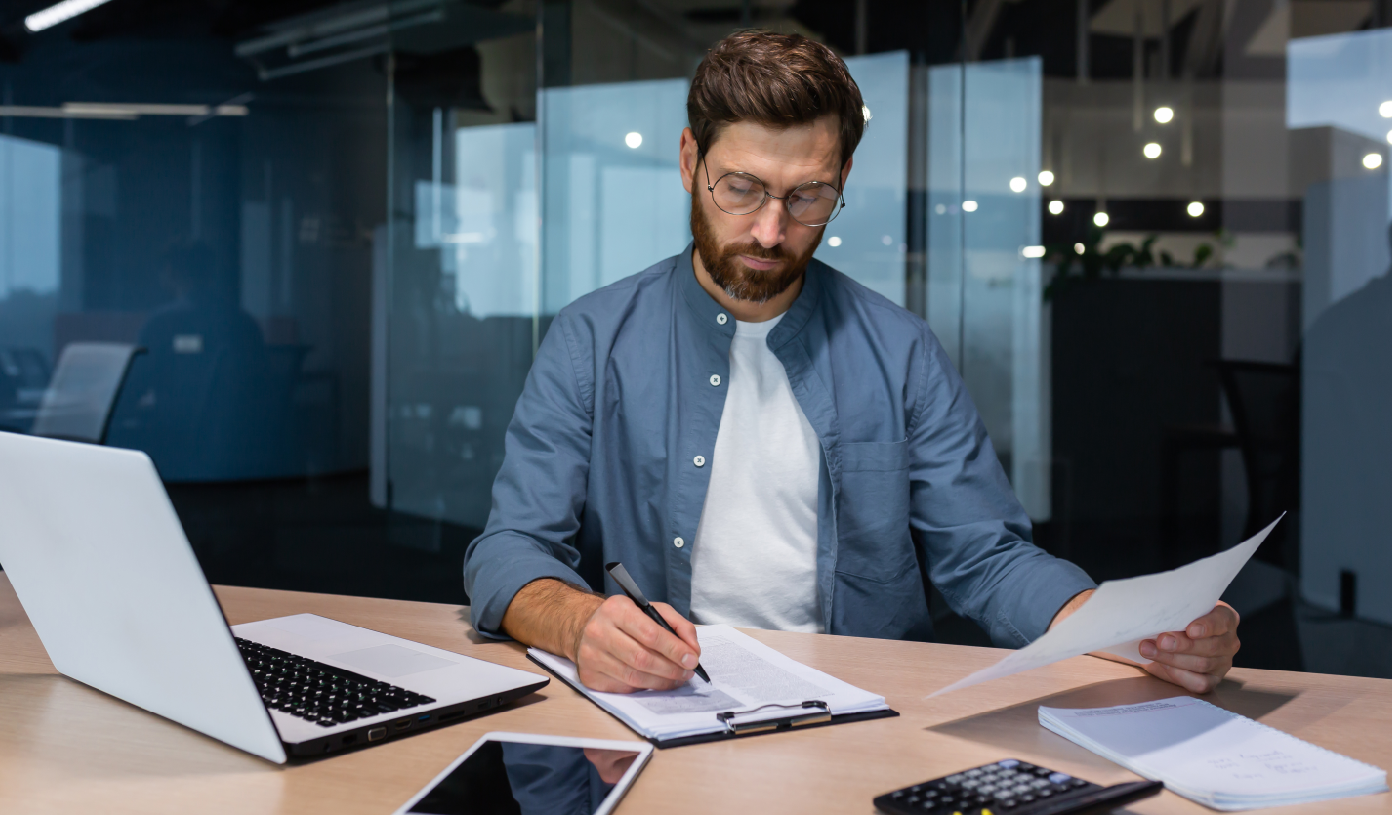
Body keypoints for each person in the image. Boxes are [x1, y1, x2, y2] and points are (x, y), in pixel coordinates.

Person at [464, 31, 1239, 696]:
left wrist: (1137, 630)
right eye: (741, 189)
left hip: (857, 711)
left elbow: (987, 557)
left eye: (808, 197)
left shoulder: (900, 350)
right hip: (665, 706)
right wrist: (580, 623)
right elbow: (508, 550)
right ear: (689, 159)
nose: (770, 230)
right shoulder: (591, 338)